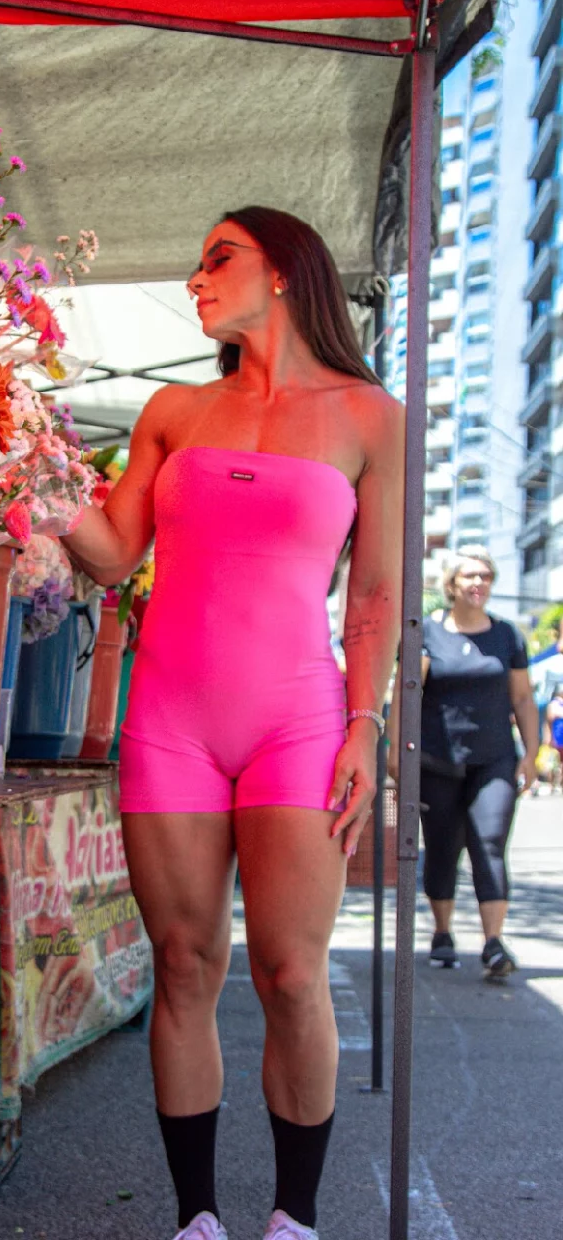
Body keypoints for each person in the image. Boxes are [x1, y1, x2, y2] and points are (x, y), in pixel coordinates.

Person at [63, 207, 403, 1240]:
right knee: (182, 960)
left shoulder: (369, 416)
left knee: (293, 973)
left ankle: (293, 1219)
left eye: (220, 257)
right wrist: (25, 464)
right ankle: (196, 1220)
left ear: (287, 274)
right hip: (169, 718)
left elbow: (378, 595)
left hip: (303, 721)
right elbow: (114, 553)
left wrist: (365, 724)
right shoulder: (172, 410)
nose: (196, 276)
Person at [386, 547, 538, 981]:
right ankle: (443, 932)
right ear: (452, 584)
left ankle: (493, 944)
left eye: (486, 576)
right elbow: (407, 691)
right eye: (471, 576)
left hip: (493, 759)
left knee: (489, 842)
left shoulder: (507, 636)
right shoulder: (427, 634)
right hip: (437, 759)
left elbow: (523, 698)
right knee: (442, 848)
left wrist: (530, 752)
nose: (480, 583)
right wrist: (397, 747)